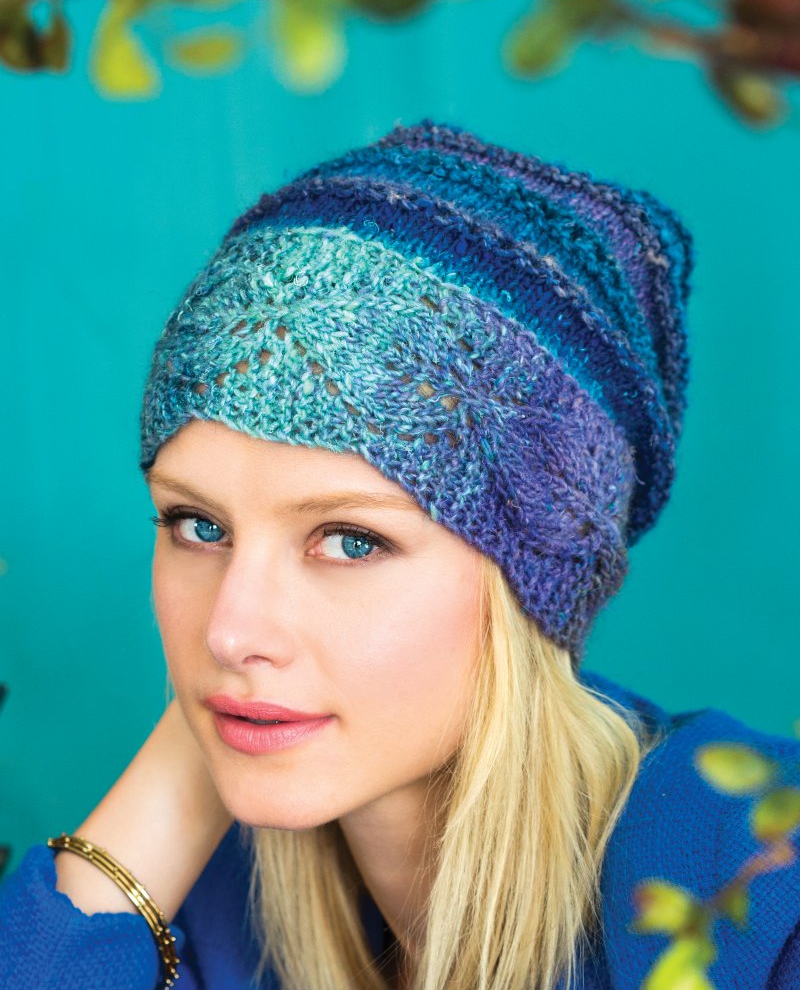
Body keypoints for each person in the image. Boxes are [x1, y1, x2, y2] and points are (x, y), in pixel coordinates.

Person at [1, 117, 798, 990]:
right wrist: (207, 733)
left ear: (535, 586)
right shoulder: (201, 896)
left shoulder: (763, 882)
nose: (229, 629)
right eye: (199, 526)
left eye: (351, 541)